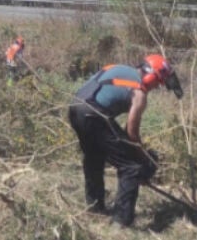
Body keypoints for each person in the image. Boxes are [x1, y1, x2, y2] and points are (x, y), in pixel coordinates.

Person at [67, 54, 184, 227]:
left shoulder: (117, 68)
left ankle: (94, 208)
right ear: (151, 76)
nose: (156, 87)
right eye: (158, 83)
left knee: (94, 157)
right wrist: (143, 157)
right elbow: (132, 133)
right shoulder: (139, 93)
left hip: (75, 109)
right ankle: (121, 220)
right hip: (94, 114)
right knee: (131, 166)